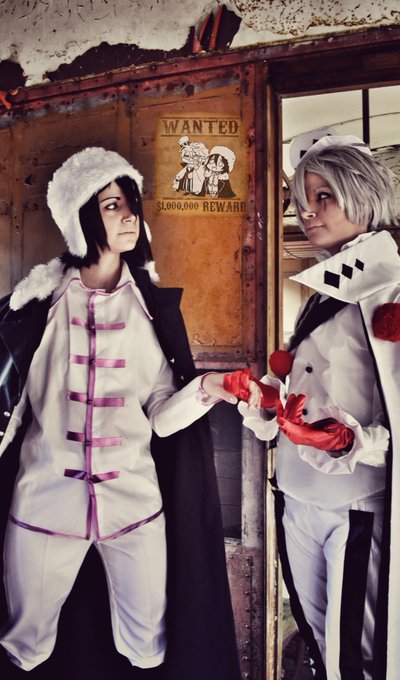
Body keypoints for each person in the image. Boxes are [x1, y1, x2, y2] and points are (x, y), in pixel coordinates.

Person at [0, 147, 249, 680]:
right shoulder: (35, 307)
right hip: (44, 506)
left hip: (134, 508)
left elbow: (160, 415)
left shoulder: (149, 309)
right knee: (24, 646)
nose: (129, 216)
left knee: (147, 646)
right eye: (112, 205)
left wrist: (206, 390)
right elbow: (10, 409)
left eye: (131, 204)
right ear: (80, 216)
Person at [224, 131, 400, 679]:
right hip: (297, 498)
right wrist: (265, 400)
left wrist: (346, 439)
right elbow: (304, 395)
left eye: (323, 195)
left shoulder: (399, 306)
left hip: (356, 508)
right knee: (322, 643)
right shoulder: (320, 300)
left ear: (362, 195)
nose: (306, 211)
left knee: (358, 660)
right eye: (302, 198)